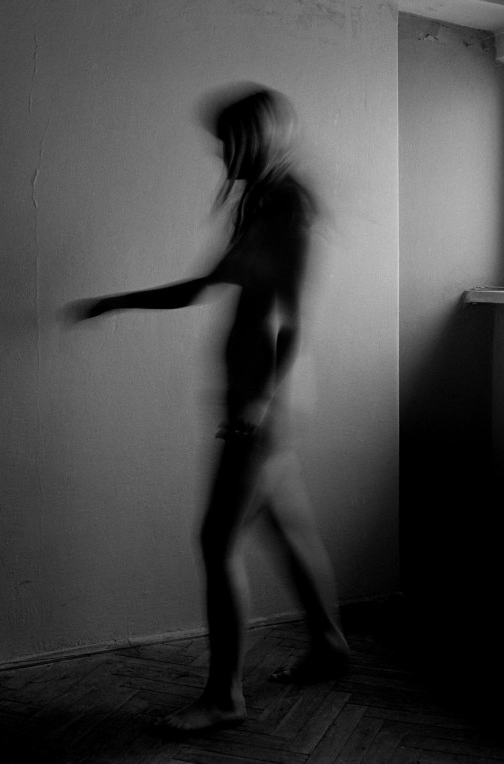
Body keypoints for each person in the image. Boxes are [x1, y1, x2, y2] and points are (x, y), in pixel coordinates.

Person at [69, 85, 349, 734]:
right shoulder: (259, 205)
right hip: (256, 398)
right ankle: (330, 644)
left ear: (254, 139)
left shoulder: (291, 205)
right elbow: (202, 287)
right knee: (286, 526)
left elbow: (295, 320)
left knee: (216, 540)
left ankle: (225, 696)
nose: (220, 153)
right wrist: (117, 302)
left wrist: (257, 400)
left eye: (227, 142)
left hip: (266, 401)